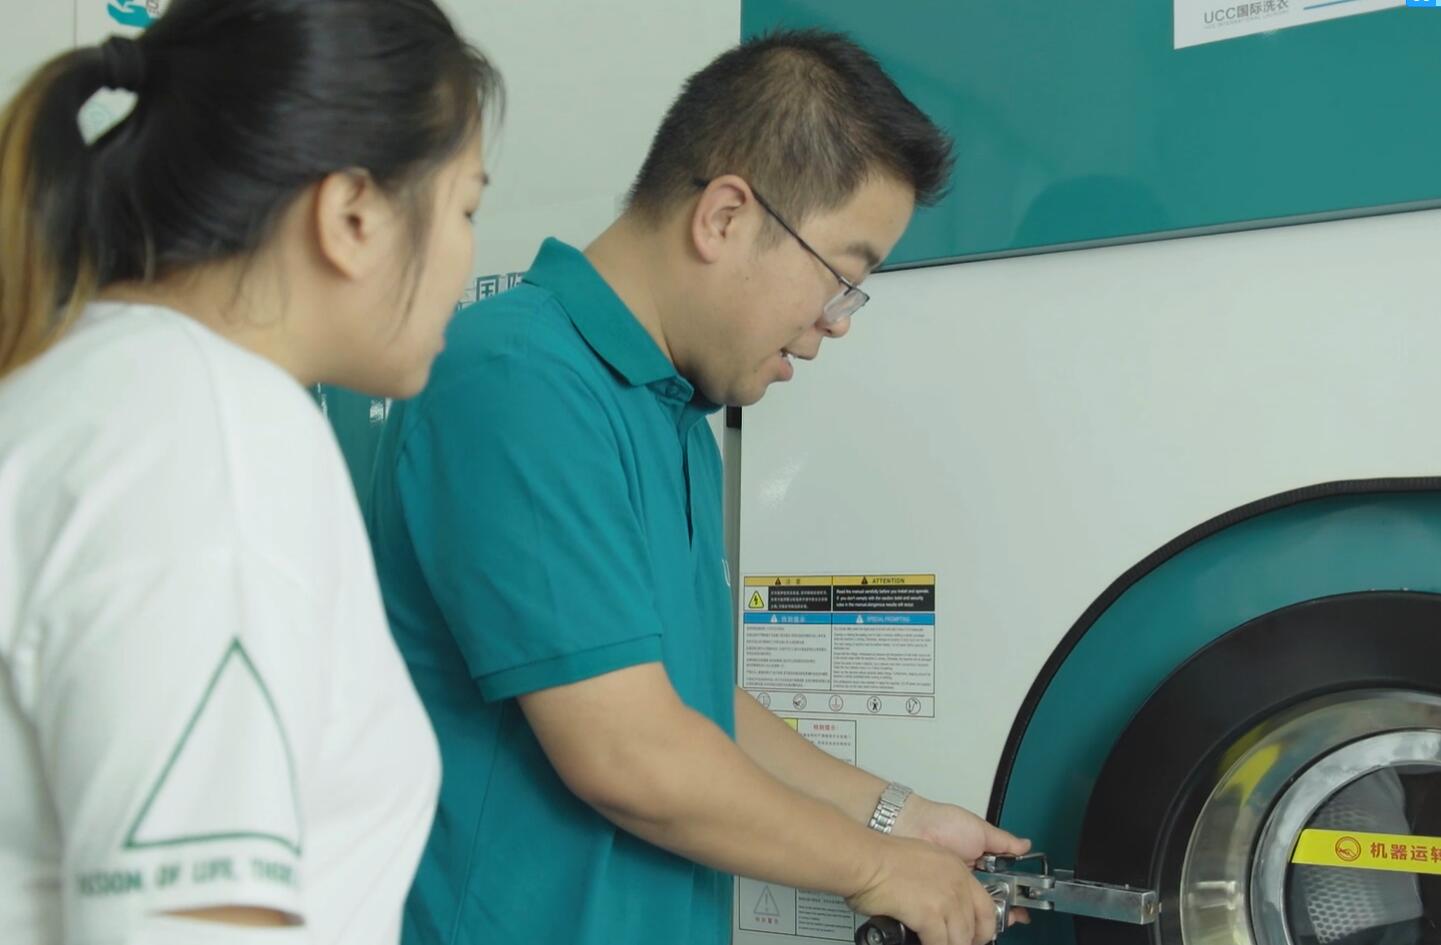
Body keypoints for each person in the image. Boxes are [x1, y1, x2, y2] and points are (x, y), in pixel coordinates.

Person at [367, 29, 1025, 945]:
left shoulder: (672, 413)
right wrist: (875, 867)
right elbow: (626, 749)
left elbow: (686, 700)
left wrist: (897, 817)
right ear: (723, 217)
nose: (837, 321)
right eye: (841, 277)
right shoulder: (517, 377)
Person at [0, 1, 500, 942]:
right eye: (466, 206)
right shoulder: (213, 439)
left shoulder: (94, 388)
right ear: (351, 215)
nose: (468, 253)